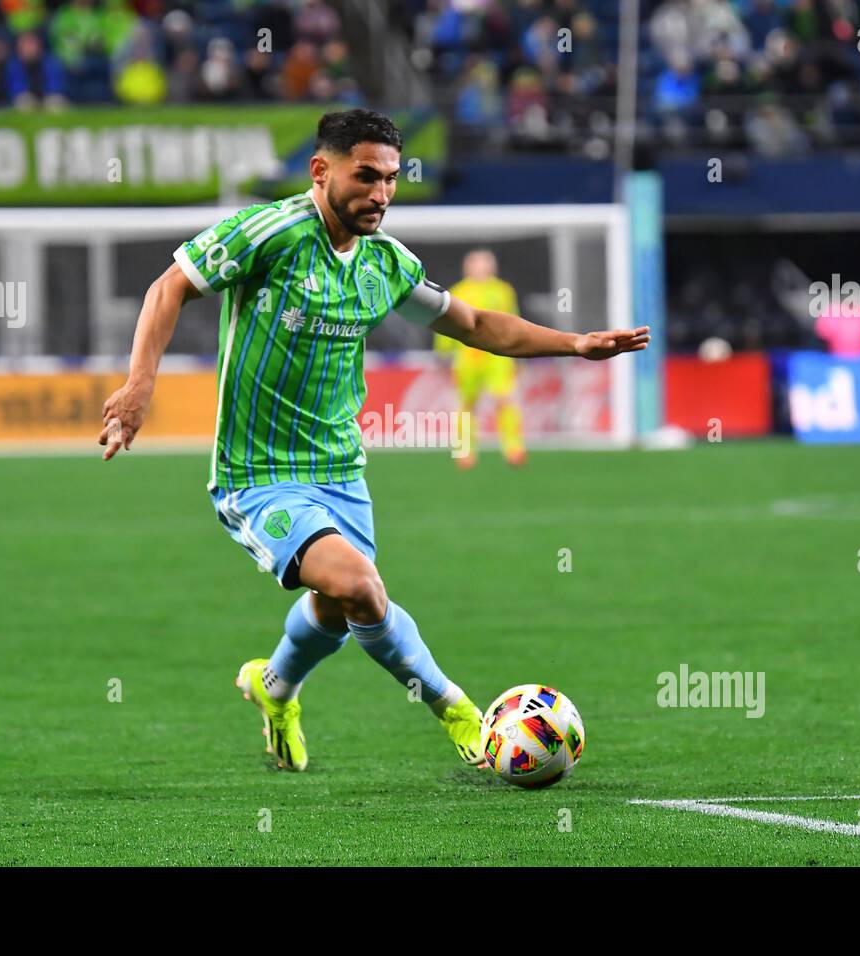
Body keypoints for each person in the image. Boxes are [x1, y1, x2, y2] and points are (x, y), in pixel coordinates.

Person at [98, 109, 650, 770]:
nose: (381, 194)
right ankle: (460, 712)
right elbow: (169, 288)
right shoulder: (270, 232)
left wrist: (576, 343)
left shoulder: (385, 264)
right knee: (360, 585)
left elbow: (474, 323)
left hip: (341, 471)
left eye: (390, 179)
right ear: (320, 170)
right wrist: (138, 386)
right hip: (258, 473)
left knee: (336, 606)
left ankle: (275, 687)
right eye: (366, 176)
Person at [434, 249, 528, 467]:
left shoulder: (503, 291)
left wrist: (519, 351)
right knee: (467, 404)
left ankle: (513, 448)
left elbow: (513, 322)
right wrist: (443, 352)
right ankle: (465, 451)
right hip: (467, 357)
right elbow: (445, 325)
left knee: (505, 400)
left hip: (498, 357)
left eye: (486, 264)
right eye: (476, 264)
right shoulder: (458, 292)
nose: (481, 268)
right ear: (467, 268)